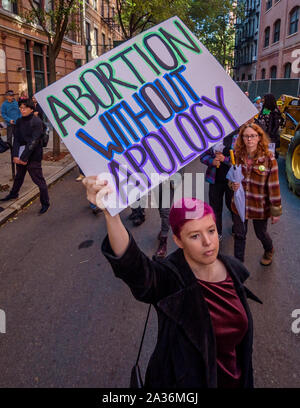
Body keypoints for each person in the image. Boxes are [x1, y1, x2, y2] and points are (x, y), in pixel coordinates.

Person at [82, 178, 261, 388]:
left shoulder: (233, 269)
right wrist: (111, 215)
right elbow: (135, 269)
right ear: (178, 240)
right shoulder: (171, 278)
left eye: (211, 230)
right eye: (195, 235)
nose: (207, 242)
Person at [229, 123, 282, 266]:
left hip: (259, 206)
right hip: (239, 204)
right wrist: (232, 185)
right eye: (246, 136)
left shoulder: (269, 159)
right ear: (242, 138)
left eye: (253, 136)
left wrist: (275, 210)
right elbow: (232, 178)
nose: (249, 139)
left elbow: (274, 186)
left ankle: (269, 249)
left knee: (261, 233)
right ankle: (238, 267)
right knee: (240, 235)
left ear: (259, 138)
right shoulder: (237, 156)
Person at [0, 100, 50, 214]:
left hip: (33, 155)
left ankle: (45, 203)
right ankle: (13, 194)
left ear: (31, 109)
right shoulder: (19, 121)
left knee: (39, 180)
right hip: (22, 153)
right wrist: (15, 155)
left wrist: (23, 158)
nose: (22, 110)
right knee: (19, 177)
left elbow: (33, 142)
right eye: (21, 108)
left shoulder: (37, 122)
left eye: (24, 108)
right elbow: (16, 139)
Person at [200, 132, 238, 240]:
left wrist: (224, 159)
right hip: (215, 179)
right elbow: (202, 156)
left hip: (231, 180)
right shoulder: (212, 135)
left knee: (231, 205)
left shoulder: (237, 137)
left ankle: (237, 225)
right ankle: (217, 232)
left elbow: (241, 160)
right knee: (215, 207)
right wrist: (212, 161)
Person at [255, 93, 283, 158]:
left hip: (270, 137)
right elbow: (260, 119)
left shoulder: (274, 111)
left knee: (270, 155)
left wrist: (271, 135)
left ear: (268, 100)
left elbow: (276, 125)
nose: (262, 100)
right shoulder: (264, 109)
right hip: (262, 135)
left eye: (264, 99)